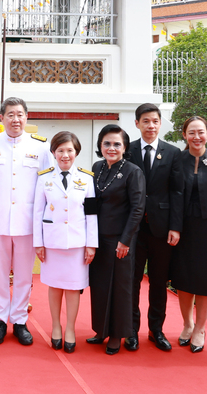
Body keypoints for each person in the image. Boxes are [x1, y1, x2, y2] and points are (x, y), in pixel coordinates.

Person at [0, 97, 51, 346]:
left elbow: (48, 186)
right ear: (1, 118)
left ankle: (20, 320)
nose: (15, 119)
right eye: (10, 114)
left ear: (27, 117)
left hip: (27, 223)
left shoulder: (41, 148)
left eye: (20, 114)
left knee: (23, 276)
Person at [125, 103, 183, 352]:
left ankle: (156, 330)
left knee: (159, 282)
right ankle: (131, 330)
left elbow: (177, 192)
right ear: (137, 123)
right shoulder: (127, 151)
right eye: (146, 121)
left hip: (161, 229)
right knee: (132, 281)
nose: (151, 126)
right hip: (134, 229)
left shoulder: (173, 153)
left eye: (155, 121)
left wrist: (175, 226)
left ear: (161, 124)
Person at [33, 131, 97, 353]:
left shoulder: (87, 179)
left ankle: (70, 328)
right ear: (53, 153)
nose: (65, 155)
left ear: (76, 152)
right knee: (54, 286)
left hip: (78, 243)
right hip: (52, 242)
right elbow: (37, 211)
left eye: (69, 150)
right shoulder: (44, 178)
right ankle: (56, 327)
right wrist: (38, 242)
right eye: (60, 150)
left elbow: (92, 214)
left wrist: (91, 244)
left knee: (72, 287)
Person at [169, 116, 207, 353]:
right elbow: (172, 195)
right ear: (184, 134)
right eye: (191, 132)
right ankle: (187, 324)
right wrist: (174, 226)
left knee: (205, 280)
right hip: (182, 228)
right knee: (184, 279)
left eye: (201, 132)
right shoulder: (177, 159)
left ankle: (201, 329)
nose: (196, 137)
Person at [87, 124, 145, 355]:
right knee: (100, 286)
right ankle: (101, 330)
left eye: (116, 144)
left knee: (120, 289)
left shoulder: (133, 171)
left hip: (120, 241)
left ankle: (117, 335)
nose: (111, 148)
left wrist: (125, 240)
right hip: (98, 239)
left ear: (125, 147)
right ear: (100, 146)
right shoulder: (97, 167)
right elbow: (91, 202)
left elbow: (138, 209)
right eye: (107, 143)